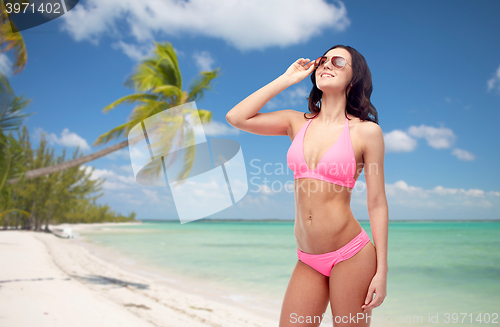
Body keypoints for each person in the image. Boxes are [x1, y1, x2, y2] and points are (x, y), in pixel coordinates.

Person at [226, 45, 388, 327]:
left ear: (355, 77)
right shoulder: (295, 122)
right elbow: (237, 117)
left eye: (338, 62)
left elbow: (376, 202)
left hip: (352, 255)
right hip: (308, 258)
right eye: (323, 60)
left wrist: (382, 270)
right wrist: (287, 78)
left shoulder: (366, 132)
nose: (327, 65)